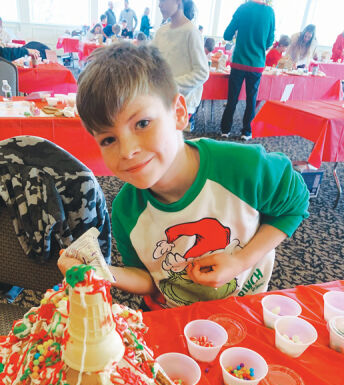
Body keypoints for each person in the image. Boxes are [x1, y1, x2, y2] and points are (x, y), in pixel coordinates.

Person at [58, 42, 309, 309]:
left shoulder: (243, 167)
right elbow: (148, 279)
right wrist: (100, 272)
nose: (128, 151)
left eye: (142, 123)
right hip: (176, 319)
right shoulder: (126, 212)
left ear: (178, 113)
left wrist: (241, 260)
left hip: (244, 309)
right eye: (108, 139)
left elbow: (294, 205)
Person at [220, 0, 275, 141]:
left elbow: (227, 35)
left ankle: (225, 130)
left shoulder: (243, 8)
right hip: (256, 63)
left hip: (239, 62)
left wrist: (240, 35)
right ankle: (247, 131)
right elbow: (269, 42)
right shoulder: (269, 12)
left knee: (232, 98)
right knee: (251, 100)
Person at [153, 0, 208, 132]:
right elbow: (150, 61)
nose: (159, 5)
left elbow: (202, 72)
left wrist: (172, 86)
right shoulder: (161, 31)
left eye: (163, 1)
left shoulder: (192, 32)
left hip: (180, 101)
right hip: (161, 97)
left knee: (170, 143)